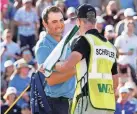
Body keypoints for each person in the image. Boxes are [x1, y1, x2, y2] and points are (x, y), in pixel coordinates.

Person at [55, 4, 118, 114]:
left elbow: (67, 66)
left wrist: (52, 65)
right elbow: (115, 82)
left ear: (79, 21)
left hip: (88, 102)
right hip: (107, 104)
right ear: (94, 21)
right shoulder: (110, 46)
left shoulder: (84, 41)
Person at [35, 6, 76, 114]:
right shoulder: (43, 46)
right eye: (54, 21)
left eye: (61, 20)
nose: (59, 25)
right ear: (45, 24)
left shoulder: (65, 42)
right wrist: (76, 69)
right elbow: (51, 80)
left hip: (69, 102)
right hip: (54, 104)